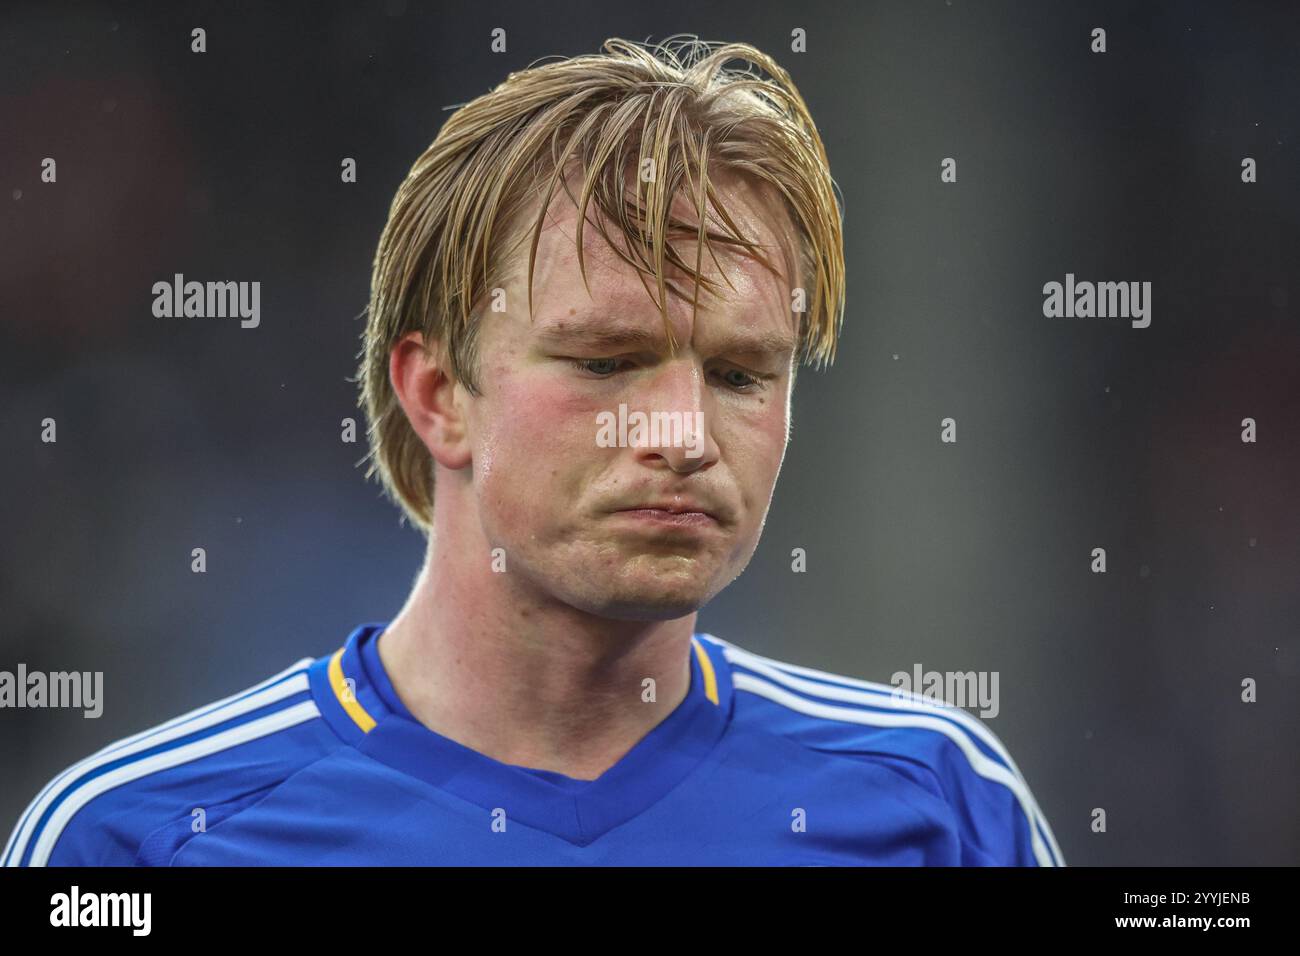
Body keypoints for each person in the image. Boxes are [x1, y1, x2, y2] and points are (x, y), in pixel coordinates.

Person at [4, 37, 1062, 866]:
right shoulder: (137, 841)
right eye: (606, 361)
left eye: (742, 374)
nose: (683, 436)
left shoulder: (940, 807)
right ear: (435, 393)